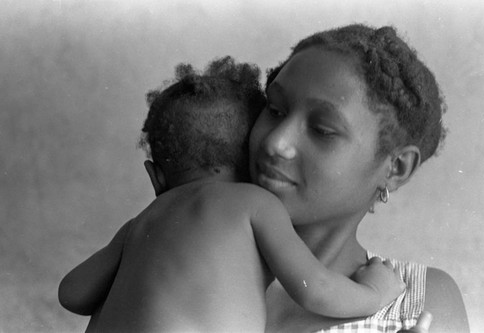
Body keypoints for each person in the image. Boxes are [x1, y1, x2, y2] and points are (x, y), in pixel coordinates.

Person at [58, 56, 405, 332]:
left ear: (155, 176)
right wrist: (376, 292)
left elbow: (71, 293)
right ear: (252, 157)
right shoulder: (255, 204)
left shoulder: (138, 224)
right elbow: (315, 289)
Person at [250, 24, 470, 332]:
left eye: (322, 130)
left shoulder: (418, 302)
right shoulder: (191, 256)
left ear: (396, 168)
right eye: (274, 110)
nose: (276, 142)